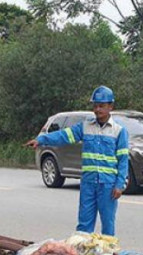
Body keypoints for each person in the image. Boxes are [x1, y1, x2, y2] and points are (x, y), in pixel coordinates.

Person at [25, 86, 129, 237]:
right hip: (88, 182)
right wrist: (41, 140)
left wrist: (119, 185)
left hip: (108, 185)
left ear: (110, 106)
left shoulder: (119, 131)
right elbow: (64, 136)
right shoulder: (85, 127)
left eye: (101, 106)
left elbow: (123, 160)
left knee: (108, 225)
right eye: (95, 106)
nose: (97, 109)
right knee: (84, 226)